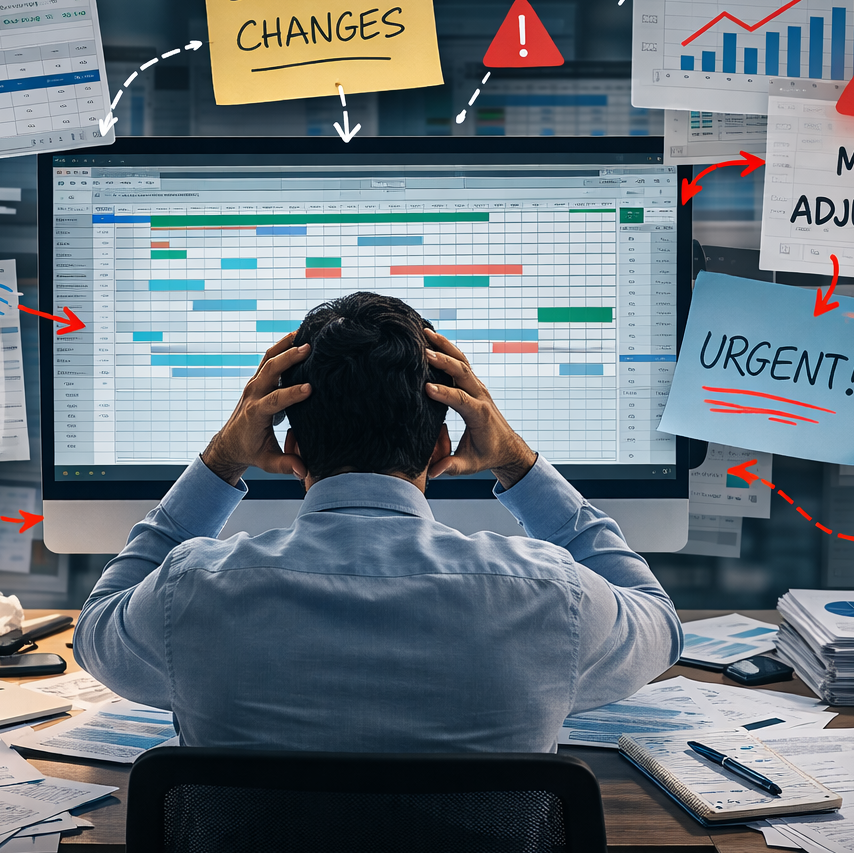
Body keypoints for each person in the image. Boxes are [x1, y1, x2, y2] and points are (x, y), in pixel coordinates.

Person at [71, 292, 681, 751]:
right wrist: (518, 464)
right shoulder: (551, 596)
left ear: (292, 448)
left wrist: (220, 460)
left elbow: (95, 627)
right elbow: (659, 622)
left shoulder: (191, 590)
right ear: (443, 447)